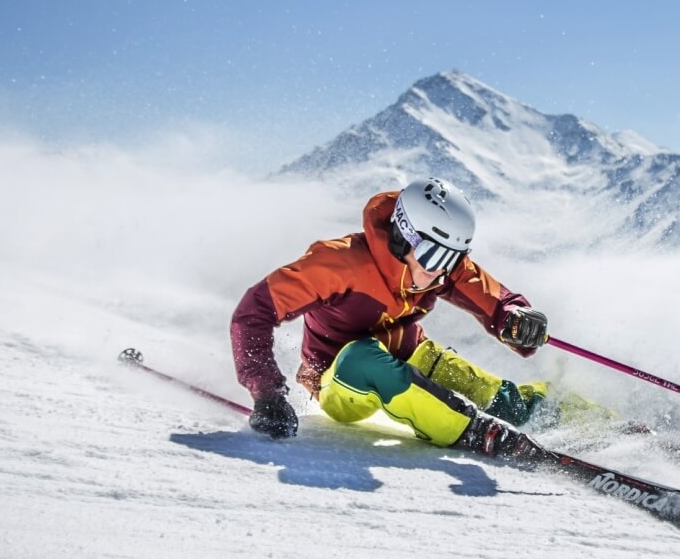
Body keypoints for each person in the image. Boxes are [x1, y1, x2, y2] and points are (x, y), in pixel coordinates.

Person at [228, 177, 596, 459]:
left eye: (453, 258)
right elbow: (253, 312)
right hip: (338, 382)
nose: (442, 272)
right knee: (362, 356)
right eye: (436, 257)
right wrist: (267, 393)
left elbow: (493, 299)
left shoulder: (437, 267)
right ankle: (474, 431)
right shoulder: (337, 264)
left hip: (409, 354)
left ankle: (589, 418)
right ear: (403, 239)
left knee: (491, 392)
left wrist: (515, 318)